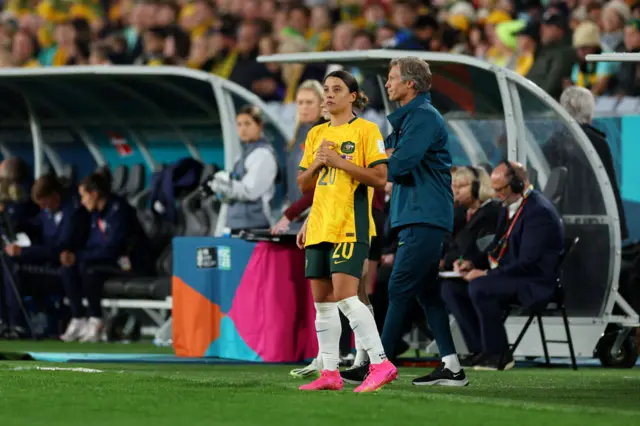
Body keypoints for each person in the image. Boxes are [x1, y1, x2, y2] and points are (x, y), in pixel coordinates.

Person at [342, 57, 467, 387]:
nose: (387, 83)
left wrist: (360, 165)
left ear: (411, 84)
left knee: (397, 287)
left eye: (392, 78)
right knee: (426, 294)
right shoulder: (412, 118)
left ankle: (379, 364)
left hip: (424, 215)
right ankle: (452, 367)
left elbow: (397, 167)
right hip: (416, 213)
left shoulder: (423, 117)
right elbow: (390, 165)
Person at [296, 70, 396, 392]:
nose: (328, 94)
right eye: (326, 89)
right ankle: (330, 373)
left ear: (353, 96)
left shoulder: (366, 130)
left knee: (346, 296)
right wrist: (318, 165)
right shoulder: (316, 135)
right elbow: (304, 183)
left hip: (350, 225)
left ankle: (380, 363)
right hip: (320, 225)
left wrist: (339, 162)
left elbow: (380, 178)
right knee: (322, 302)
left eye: (336, 89)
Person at [442, 161, 564, 370]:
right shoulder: (508, 208)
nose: (495, 194)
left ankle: (498, 354)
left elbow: (528, 263)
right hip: (512, 276)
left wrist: (487, 274)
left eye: (500, 189)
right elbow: (496, 246)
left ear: (518, 184)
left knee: (480, 286)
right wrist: (472, 264)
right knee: (451, 288)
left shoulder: (539, 212)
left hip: (535, 282)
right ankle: (480, 351)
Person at [59, 173, 152, 342]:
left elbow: (113, 250)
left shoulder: (119, 211)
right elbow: (94, 245)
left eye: (84, 196)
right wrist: (74, 256)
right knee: (68, 267)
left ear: (94, 194)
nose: (82, 201)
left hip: (130, 263)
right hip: (109, 261)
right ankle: (78, 317)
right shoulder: (97, 214)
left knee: (88, 269)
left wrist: (79, 257)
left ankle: (96, 319)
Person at [1, 175, 89, 338]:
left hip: (67, 270)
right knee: (7, 264)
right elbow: (33, 225)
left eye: (44, 203)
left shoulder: (73, 213)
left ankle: (18, 324)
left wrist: (23, 252)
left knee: (15, 269)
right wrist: (10, 220)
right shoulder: (46, 214)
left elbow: (59, 249)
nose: (43, 208)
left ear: (54, 196)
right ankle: (7, 321)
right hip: (49, 268)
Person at [205, 105, 279, 233]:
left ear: (260, 126)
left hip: (256, 225)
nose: (243, 129)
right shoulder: (242, 155)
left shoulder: (263, 154)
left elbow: (249, 191)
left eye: (247, 124)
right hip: (238, 224)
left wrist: (220, 185)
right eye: (239, 124)